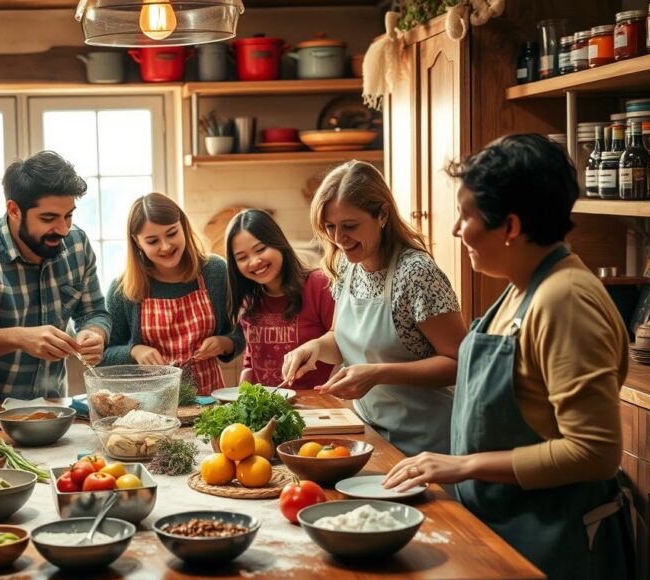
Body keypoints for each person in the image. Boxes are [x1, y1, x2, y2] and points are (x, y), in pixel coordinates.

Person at [384, 134, 633, 580]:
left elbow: (594, 453)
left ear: (511, 226)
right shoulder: (520, 289)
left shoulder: (565, 300)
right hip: (507, 530)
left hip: (557, 543)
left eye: (466, 216)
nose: (457, 230)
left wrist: (463, 465)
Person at [282, 161, 466, 456]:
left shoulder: (417, 274)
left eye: (350, 226)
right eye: (330, 227)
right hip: (372, 434)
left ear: (382, 214)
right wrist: (315, 347)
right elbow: (341, 338)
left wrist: (378, 373)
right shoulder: (346, 265)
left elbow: (460, 363)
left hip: (429, 443)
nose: (339, 239)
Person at [0, 151, 111, 400]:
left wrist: (95, 333)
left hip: (51, 409)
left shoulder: (77, 244)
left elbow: (94, 312)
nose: (63, 229)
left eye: (68, 215)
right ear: (14, 210)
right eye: (48, 218)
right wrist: (19, 337)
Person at [103, 193, 244, 394]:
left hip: (208, 402)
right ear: (137, 242)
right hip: (148, 405)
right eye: (152, 241)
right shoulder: (122, 289)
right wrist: (135, 351)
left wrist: (225, 343)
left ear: (183, 226)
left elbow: (243, 331)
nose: (166, 246)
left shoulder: (215, 271)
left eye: (171, 233)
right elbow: (103, 356)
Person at [225, 209, 335, 390]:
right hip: (268, 409)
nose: (254, 262)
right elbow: (251, 360)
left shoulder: (318, 284)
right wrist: (241, 397)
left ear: (278, 243)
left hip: (315, 405)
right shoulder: (248, 299)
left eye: (260, 249)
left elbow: (339, 341)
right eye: (242, 257)